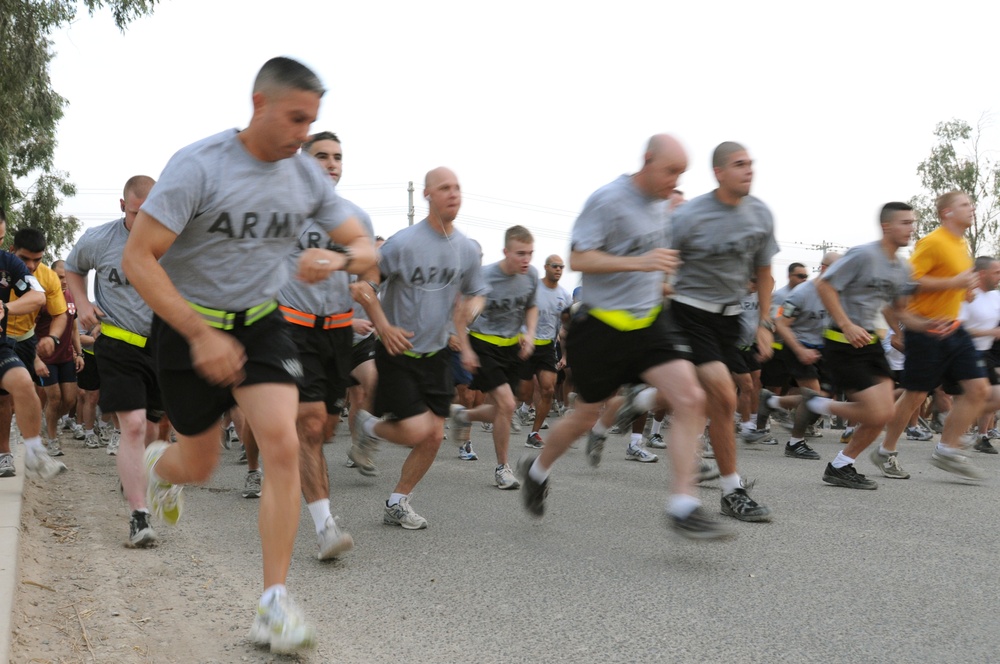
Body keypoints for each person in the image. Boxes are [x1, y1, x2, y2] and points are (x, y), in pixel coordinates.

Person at [122, 57, 375, 653]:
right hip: (188, 327)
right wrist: (201, 334)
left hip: (262, 323)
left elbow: (367, 249)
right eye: (295, 119)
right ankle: (163, 467)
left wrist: (337, 260)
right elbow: (139, 260)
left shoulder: (304, 176)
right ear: (259, 103)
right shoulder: (198, 167)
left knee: (284, 442)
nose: (303, 135)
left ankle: (273, 604)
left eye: (312, 122)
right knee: (201, 464)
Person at [518, 134, 731, 539]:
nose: (676, 180)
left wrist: (671, 276)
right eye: (670, 171)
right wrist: (640, 263)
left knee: (691, 398)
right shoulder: (609, 200)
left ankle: (683, 505)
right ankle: (538, 469)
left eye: (682, 174)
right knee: (585, 416)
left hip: (650, 322)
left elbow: (667, 259)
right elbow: (579, 257)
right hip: (601, 327)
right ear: (647, 161)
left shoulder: (668, 206)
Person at [350, 166, 487, 527]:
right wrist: (383, 325)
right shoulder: (403, 243)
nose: (453, 193)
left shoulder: (467, 250)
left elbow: (476, 295)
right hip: (398, 351)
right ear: (427, 194)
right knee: (414, 431)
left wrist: (467, 317)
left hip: (437, 354)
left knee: (434, 436)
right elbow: (363, 287)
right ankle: (367, 427)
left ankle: (398, 500)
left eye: (457, 187)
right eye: (444, 188)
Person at [278, 130, 376, 560]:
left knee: (326, 427)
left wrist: (363, 288)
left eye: (337, 157)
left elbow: (371, 265)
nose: (332, 163)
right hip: (292, 328)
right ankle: (325, 527)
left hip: (339, 333)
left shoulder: (354, 217)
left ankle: (305, 482)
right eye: (322, 156)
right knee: (312, 423)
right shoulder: (281, 213)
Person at [666, 141, 774, 522]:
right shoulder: (690, 216)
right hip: (689, 314)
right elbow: (661, 264)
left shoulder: (760, 214)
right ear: (719, 172)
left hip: (729, 320)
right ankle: (732, 491)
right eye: (739, 164)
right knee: (724, 396)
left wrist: (764, 323)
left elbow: (764, 273)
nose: (749, 170)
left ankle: (647, 401)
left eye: (751, 164)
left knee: (721, 399)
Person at [66, 175, 165, 548]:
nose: (145, 221)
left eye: (152, 212)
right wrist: (84, 303)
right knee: (134, 427)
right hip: (117, 342)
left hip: (161, 346)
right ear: (123, 206)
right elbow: (74, 268)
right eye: (138, 213)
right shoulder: (101, 239)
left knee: (154, 431)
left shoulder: (173, 240)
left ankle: (134, 473)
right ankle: (138, 517)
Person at [796, 202, 918, 488]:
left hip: (871, 343)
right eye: (904, 222)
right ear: (886, 226)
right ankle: (816, 403)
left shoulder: (902, 266)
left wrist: (927, 326)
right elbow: (824, 285)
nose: (910, 228)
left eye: (912, 222)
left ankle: (841, 464)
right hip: (842, 340)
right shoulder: (863, 255)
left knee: (884, 412)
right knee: (878, 411)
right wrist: (847, 324)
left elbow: (898, 309)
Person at [869, 191, 988, 480]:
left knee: (978, 390)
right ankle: (885, 451)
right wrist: (954, 282)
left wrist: (964, 290)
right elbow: (909, 281)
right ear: (947, 212)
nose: (971, 209)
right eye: (965, 205)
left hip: (955, 327)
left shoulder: (960, 244)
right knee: (915, 395)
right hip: (927, 328)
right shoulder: (933, 241)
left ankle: (947, 450)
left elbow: (950, 283)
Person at [452, 225, 538, 489]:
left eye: (530, 253)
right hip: (484, 345)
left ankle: (463, 416)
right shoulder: (485, 276)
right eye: (520, 254)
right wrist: (466, 348)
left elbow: (531, 306)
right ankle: (503, 469)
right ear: (505, 252)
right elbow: (461, 314)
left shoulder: (531, 275)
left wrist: (530, 334)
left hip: (512, 347)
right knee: (508, 404)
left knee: (502, 408)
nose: (526, 260)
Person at [0, 228, 69, 458]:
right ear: (11, 251)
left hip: (26, 338)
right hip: (3, 337)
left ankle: (30, 441)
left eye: (37, 260)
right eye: (24, 259)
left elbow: (60, 314)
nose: (31, 266)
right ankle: (6, 451)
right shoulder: (5, 268)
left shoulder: (48, 277)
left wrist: (52, 337)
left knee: (37, 392)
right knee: (5, 398)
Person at [767, 252, 841, 460]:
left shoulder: (838, 291)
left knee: (825, 397)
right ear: (825, 269)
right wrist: (800, 350)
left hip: (822, 349)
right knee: (813, 397)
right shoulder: (801, 293)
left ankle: (772, 403)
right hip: (797, 346)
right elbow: (780, 324)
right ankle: (795, 443)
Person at [515, 255, 570, 449]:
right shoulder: (533, 288)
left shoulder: (564, 295)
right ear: (546, 267)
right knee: (524, 391)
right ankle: (521, 408)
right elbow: (517, 312)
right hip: (526, 343)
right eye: (555, 266)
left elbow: (566, 323)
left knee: (548, 389)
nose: (559, 270)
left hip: (547, 346)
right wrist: (519, 335)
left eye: (562, 267)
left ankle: (534, 433)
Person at [35, 260, 85, 457]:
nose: (63, 281)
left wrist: (79, 353)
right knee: (54, 399)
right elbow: (30, 327)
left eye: (65, 277)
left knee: (70, 400)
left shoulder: (71, 297)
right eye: (59, 276)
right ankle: (53, 441)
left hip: (66, 357)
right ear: (51, 275)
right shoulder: (42, 298)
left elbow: (73, 328)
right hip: (46, 357)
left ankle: (46, 420)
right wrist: (35, 357)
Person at [956, 256, 1000, 454]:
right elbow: (959, 329)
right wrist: (991, 333)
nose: (999, 277)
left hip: (983, 353)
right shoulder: (967, 296)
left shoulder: (995, 296)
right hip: (962, 352)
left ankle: (964, 429)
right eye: (996, 272)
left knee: (993, 396)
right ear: (982, 274)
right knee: (916, 394)